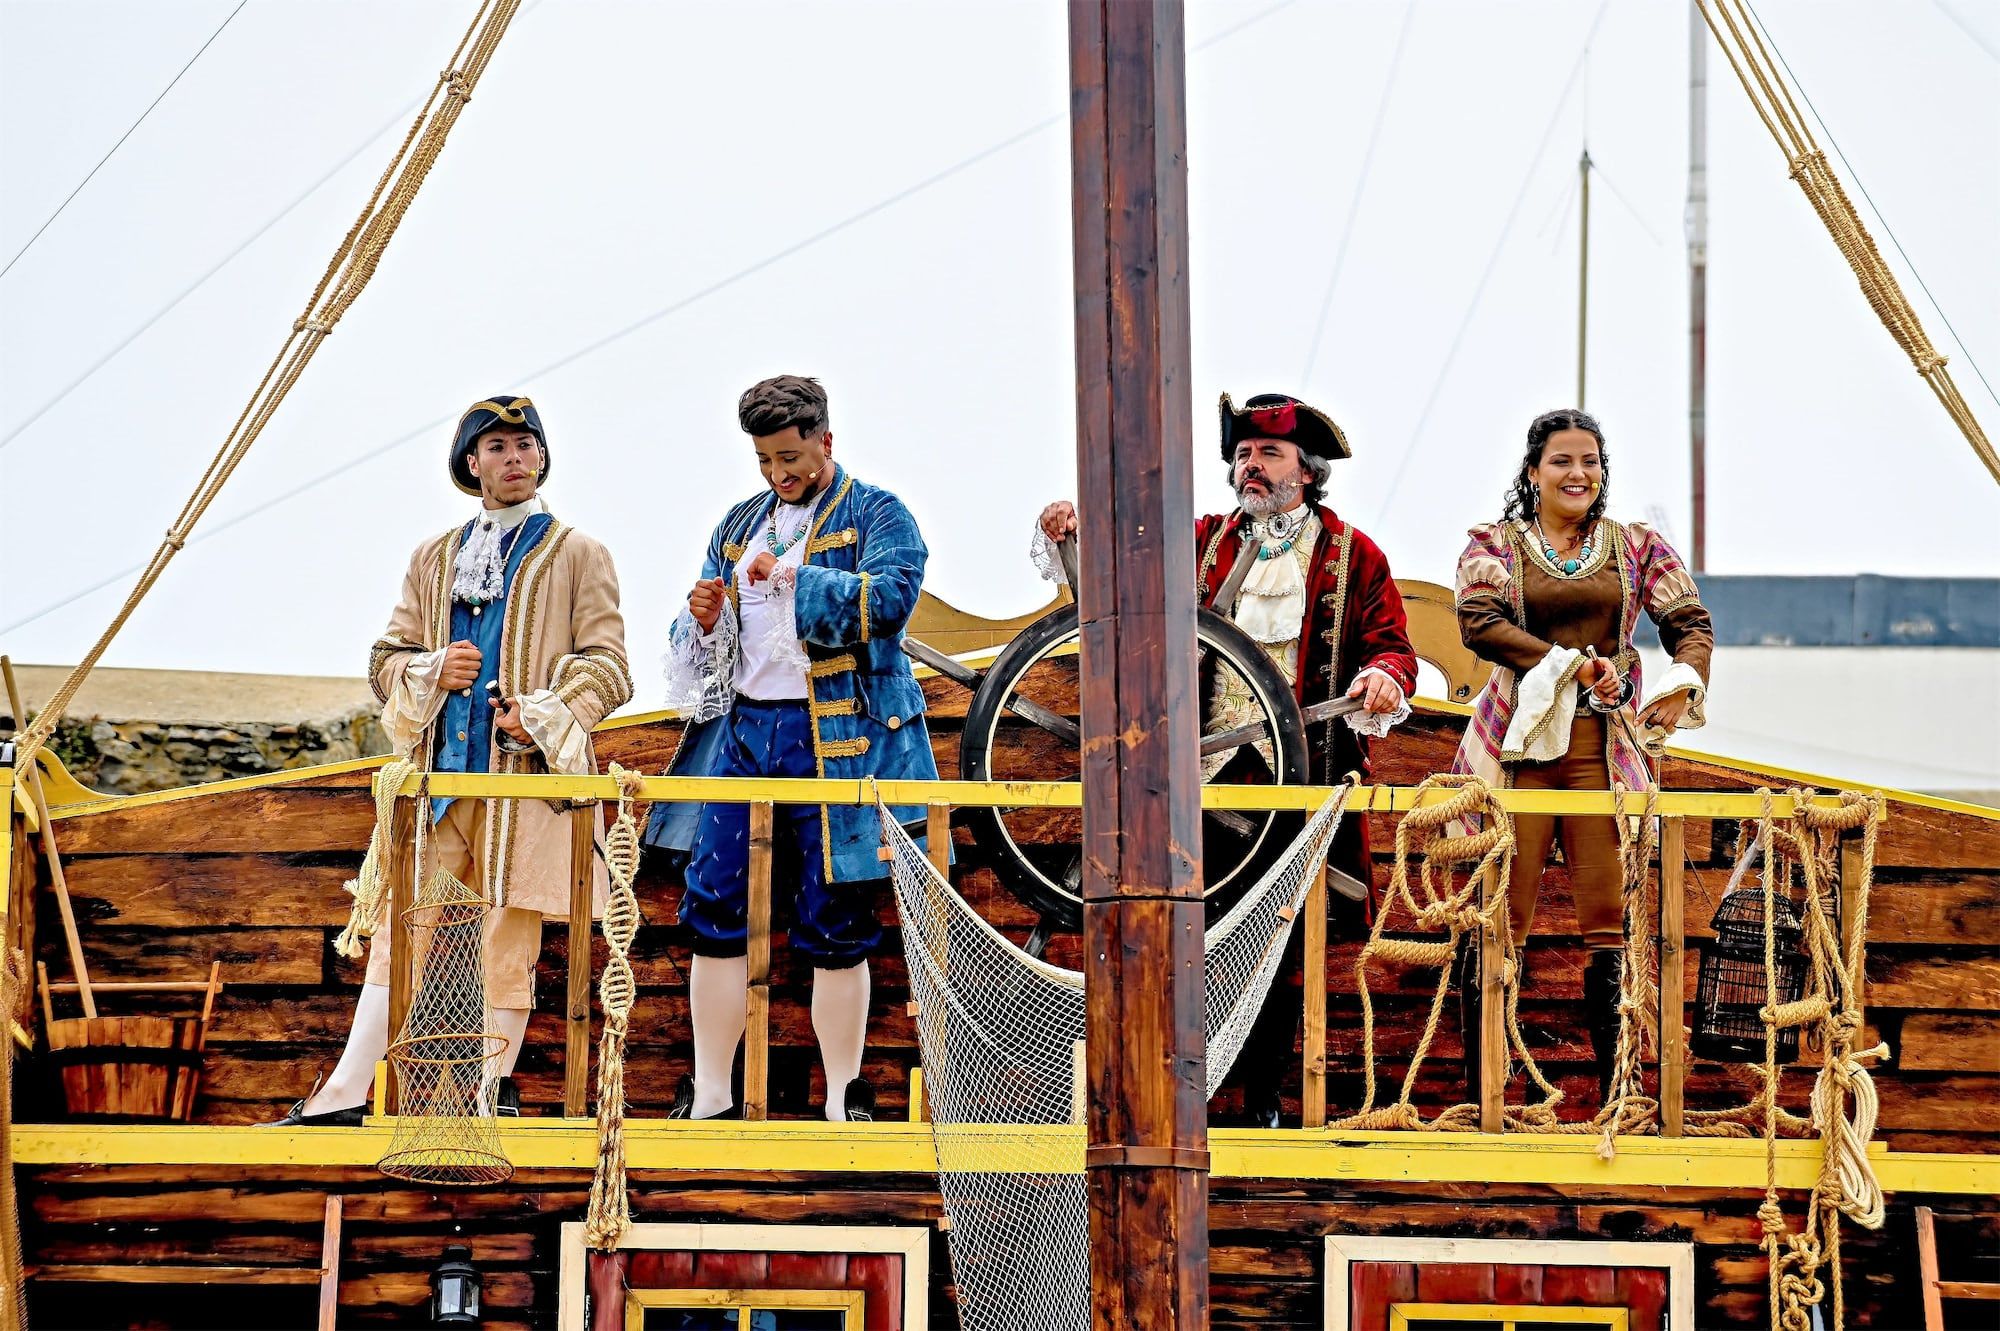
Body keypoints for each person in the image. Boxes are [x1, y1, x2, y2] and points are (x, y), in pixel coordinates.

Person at [1037, 391, 1418, 1127]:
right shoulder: (1203, 541)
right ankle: (1185, 1108)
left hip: (1299, 782)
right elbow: (1122, 569)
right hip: (1200, 784)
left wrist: (1382, 677)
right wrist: (1075, 531)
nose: (1252, 466)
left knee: (1280, 946)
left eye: (1269, 453)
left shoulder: (1354, 555)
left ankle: (1263, 1108)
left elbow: (1392, 646)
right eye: (1243, 454)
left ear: (1306, 471)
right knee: (1190, 939)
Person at [266, 396, 632, 1126]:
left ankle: (484, 1100)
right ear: (472, 463)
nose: (515, 457)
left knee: (507, 942)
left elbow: (610, 666)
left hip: (523, 789)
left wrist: (540, 713)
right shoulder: (432, 557)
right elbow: (385, 660)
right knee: (398, 935)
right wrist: (432, 669)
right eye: (498, 447)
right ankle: (346, 1093)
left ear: (542, 456)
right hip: (436, 784)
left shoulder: (580, 553)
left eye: (525, 444)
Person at [645, 375, 938, 1122]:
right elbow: (709, 650)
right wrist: (703, 619)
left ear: (825, 441)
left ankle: (843, 1094)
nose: (778, 474)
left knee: (834, 912)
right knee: (715, 900)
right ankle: (712, 1089)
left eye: (790, 457)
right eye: (765, 460)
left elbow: (891, 601)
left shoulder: (879, 511)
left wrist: (792, 578)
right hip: (744, 731)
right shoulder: (739, 522)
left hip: (838, 738)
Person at [1450, 407, 1713, 1104]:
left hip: (1601, 750)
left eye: (1590, 461)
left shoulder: (1637, 547)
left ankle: (1618, 1096)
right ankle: (1486, 1096)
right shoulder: (1494, 544)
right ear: (1533, 472)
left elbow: (1689, 621)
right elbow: (1479, 623)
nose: (1578, 473)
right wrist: (1573, 665)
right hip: (1518, 749)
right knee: (1497, 917)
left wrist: (1683, 683)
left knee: (1611, 922)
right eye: (1562, 461)